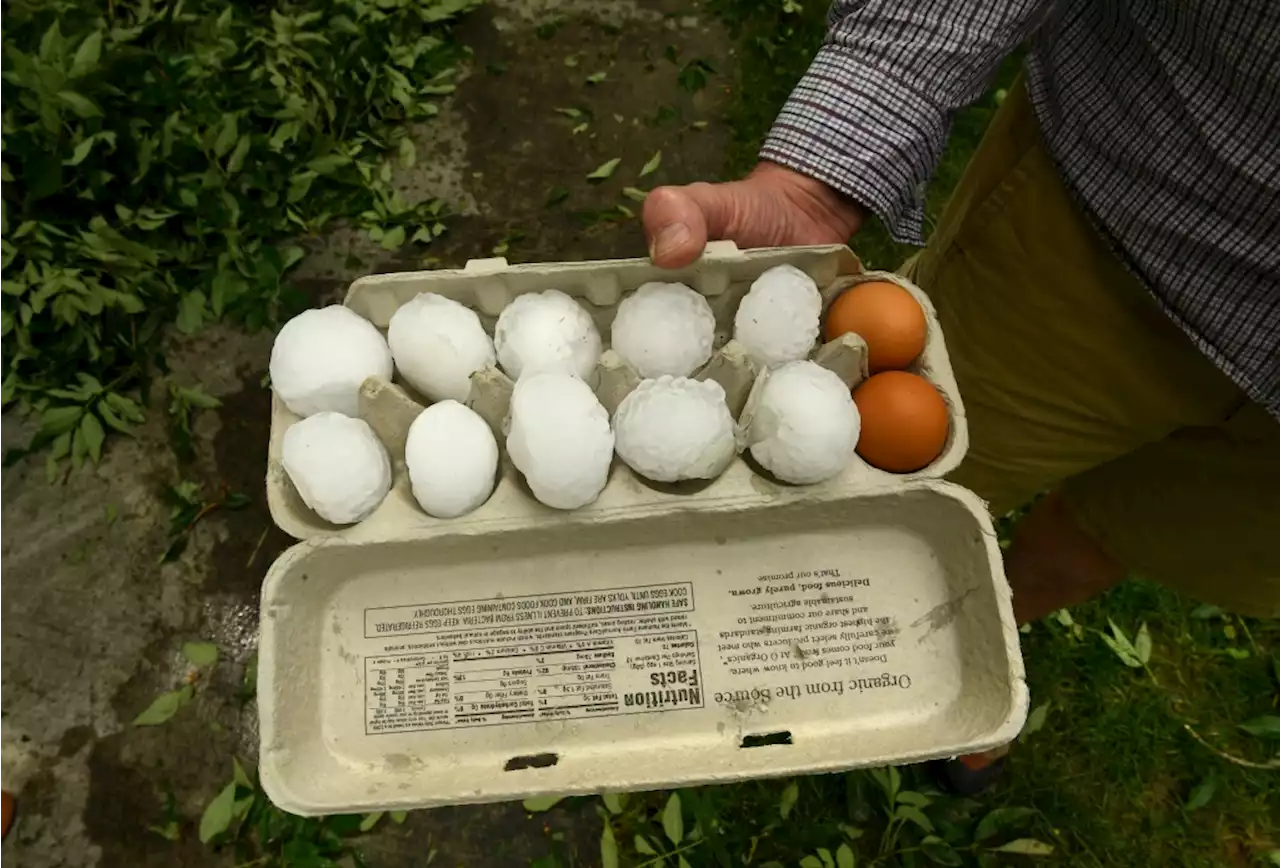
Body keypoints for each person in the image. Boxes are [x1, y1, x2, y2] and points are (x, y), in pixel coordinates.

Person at [643, 0, 1280, 793]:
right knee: (901, 484)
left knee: (1130, 530)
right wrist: (826, 170)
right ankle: (803, 645)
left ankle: (984, 635)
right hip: (1122, 213)